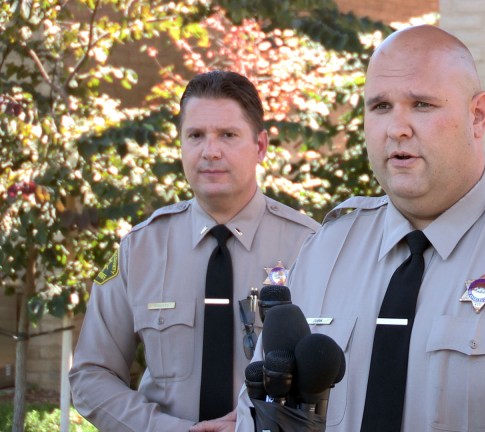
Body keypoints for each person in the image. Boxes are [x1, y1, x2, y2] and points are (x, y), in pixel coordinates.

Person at [236, 24, 485, 431]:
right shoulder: (328, 249)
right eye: (380, 106)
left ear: (477, 116)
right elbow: (258, 407)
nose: (396, 128)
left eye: (421, 105)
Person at [69, 70, 320, 432]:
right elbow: (91, 374)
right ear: (181, 145)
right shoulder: (140, 249)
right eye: (196, 135)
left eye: (228, 135)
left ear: (261, 146)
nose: (210, 151)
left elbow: (345, 368)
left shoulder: (310, 246)